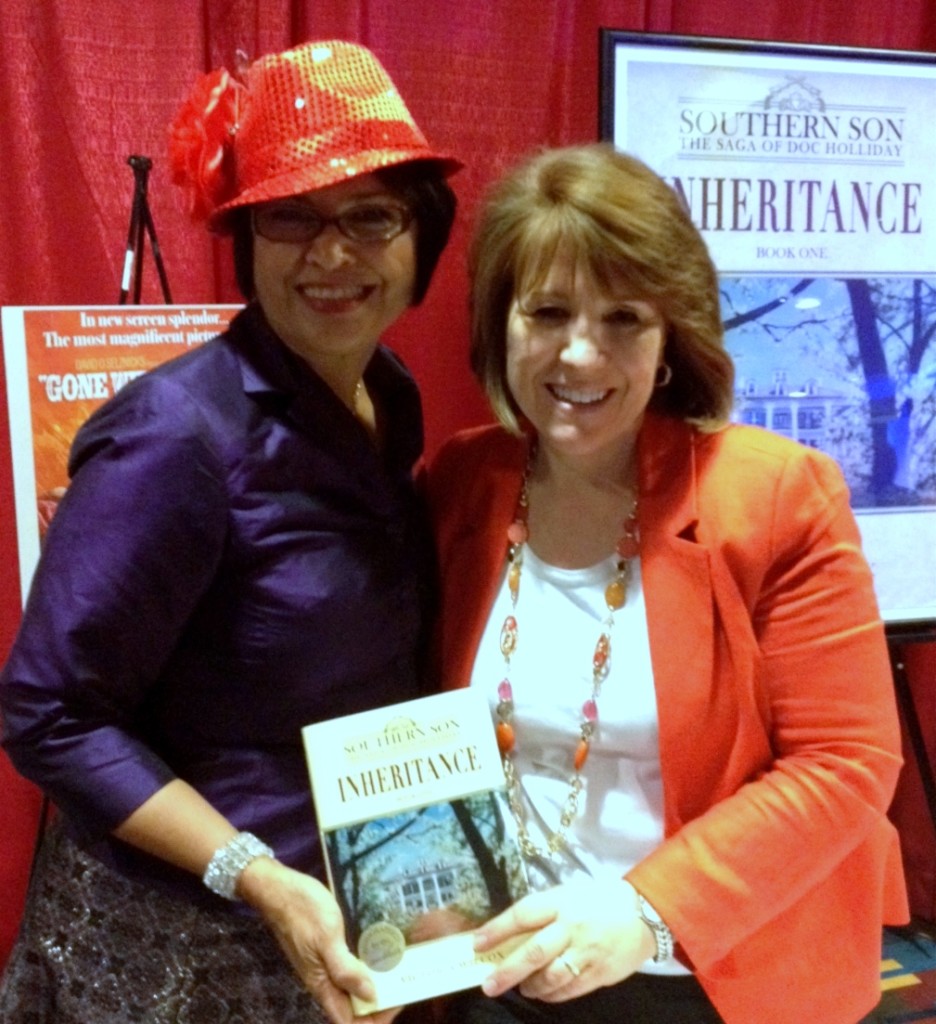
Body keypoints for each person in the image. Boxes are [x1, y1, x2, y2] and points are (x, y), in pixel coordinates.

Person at [0, 40, 458, 1024]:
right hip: (181, 949)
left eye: (371, 215)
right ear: (246, 240)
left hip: (337, 913)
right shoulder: (176, 437)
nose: (332, 255)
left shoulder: (390, 394)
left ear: (422, 235)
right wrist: (253, 873)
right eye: (291, 217)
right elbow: (49, 712)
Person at [423, 143, 908, 1024]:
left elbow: (846, 763)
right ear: (502, 325)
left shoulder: (773, 494)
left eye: (623, 319)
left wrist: (642, 913)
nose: (580, 354)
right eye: (549, 312)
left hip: (708, 976)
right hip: (502, 972)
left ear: (670, 339)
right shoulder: (462, 482)